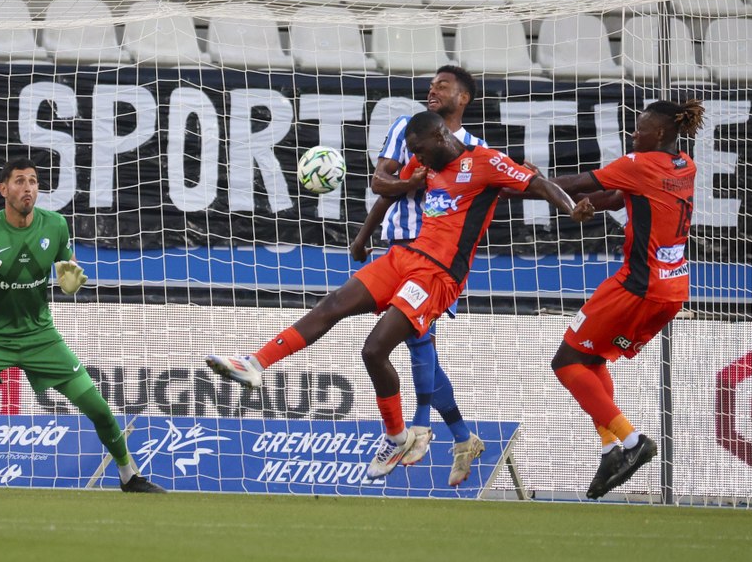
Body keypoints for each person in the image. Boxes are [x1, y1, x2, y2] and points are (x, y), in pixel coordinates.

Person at [210, 112, 594, 483]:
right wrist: (362, 238)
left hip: (437, 275)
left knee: (374, 349)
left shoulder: (485, 161)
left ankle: (400, 436)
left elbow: (538, 184)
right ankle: (255, 363)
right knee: (333, 305)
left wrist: (572, 208)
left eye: (419, 148)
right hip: (402, 256)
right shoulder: (426, 165)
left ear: (441, 137)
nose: (417, 156)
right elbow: (388, 196)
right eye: (412, 150)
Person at [0, 158, 165, 494]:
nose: (27, 188)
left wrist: (71, 282)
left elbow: (68, 268)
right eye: (19, 181)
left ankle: (129, 475)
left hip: (40, 338)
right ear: (3, 189)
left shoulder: (54, 226)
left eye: (33, 181)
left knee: (99, 408)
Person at [541, 99, 704, 499]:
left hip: (636, 286)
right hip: (672, 290)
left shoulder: (639, 163)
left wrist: (529, 183)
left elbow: (582, 182)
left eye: (641, 126)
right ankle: (610, 448)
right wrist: (590, 207)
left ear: (661, 132)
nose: (634, 133)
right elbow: (616, 198)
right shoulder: (684, 165)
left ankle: (631, 443)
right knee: (591, 359)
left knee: (565, 362)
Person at [347, 65, 485, 484]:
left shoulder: (476, 149)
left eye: (442, 85)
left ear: (463, 98)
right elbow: (382, 182)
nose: (432, 90)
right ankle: (460, 436)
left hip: (438, 259)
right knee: (418, 342)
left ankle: (422, 428)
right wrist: (365, 234)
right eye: (430, 85)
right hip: (397, 250)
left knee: (417, 340)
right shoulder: (408, 129)